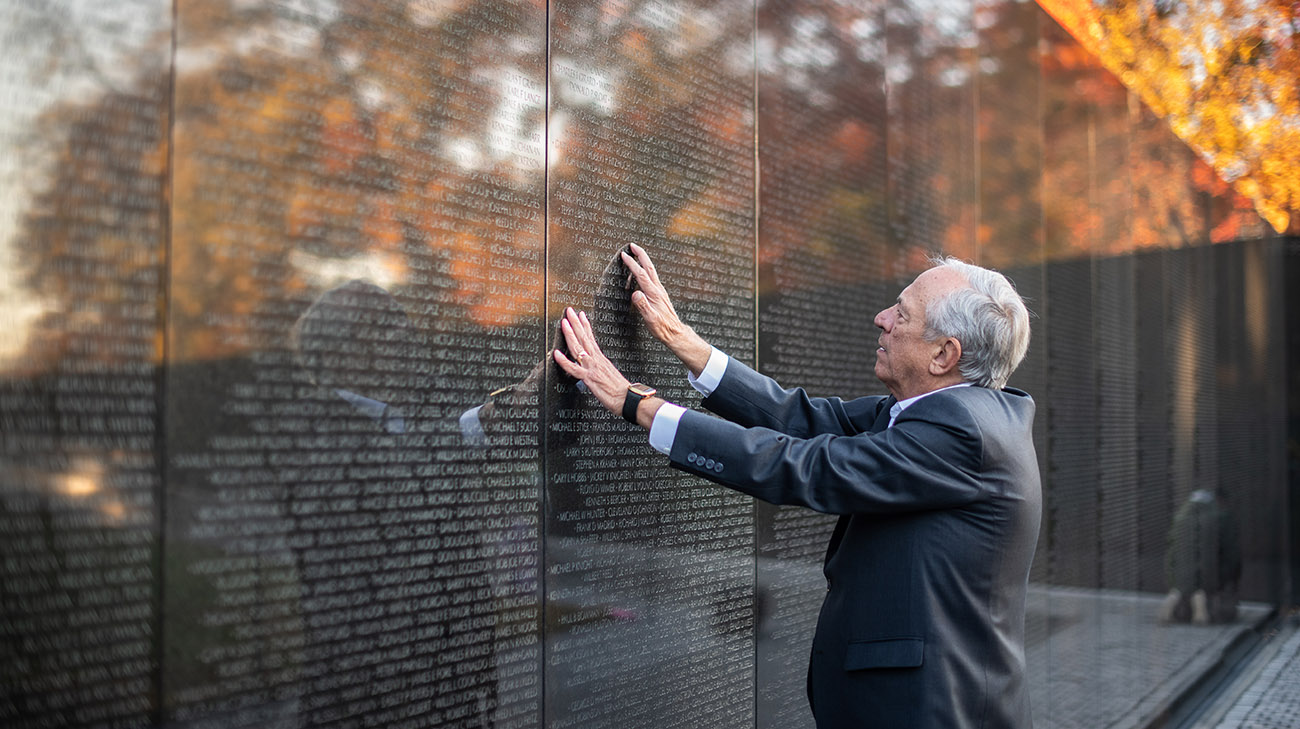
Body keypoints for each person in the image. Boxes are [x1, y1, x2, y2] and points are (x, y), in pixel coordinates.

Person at [552, 244, 1041, 729]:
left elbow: (804, 465)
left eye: (902, 313)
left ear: (943, 355)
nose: (881, 318)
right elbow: (804, 419)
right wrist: (681, 339)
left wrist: (634, 401)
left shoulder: (960, 434)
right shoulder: (950, 412)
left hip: (931, 710)